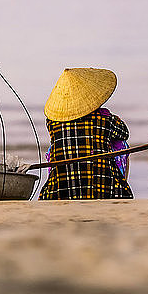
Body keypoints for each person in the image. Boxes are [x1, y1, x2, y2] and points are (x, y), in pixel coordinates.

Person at [39, 68, 133, 200]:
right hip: (104, 190)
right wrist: (108, 115)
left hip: (59, 191)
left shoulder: (52, 123)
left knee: (53, 149)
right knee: (122, 145)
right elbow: (124, 133)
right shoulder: (105, 119)